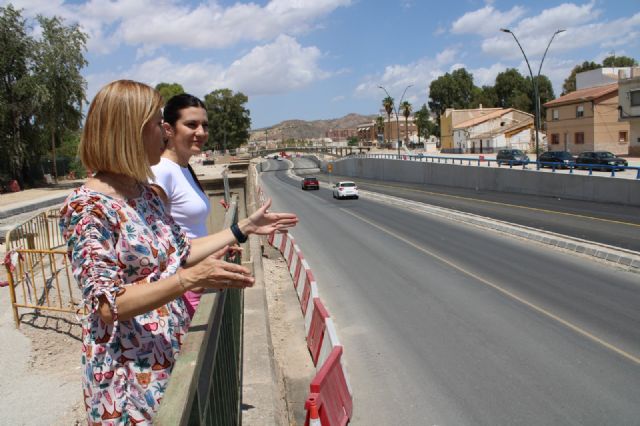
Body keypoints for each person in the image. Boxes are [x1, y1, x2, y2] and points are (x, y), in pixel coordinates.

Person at [59, 79, 297, 424]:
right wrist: (187, 280)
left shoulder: (145, 193)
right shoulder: (87, 208)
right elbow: (109, 306)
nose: (164, 133)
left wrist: (242, 228)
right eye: (157, 125)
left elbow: (181, 251)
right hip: (131, 377)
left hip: (169, 354)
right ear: (130, 131)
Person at [151, 93, 211, 318]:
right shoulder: (162, 172)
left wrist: (216, 248)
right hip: (185, 290)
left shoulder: (184, 168)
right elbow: (153, 241)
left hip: (199, 280)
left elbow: (188, 231)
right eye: (191, 125)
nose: (201, 132)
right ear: (168, 129)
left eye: (204, 125)